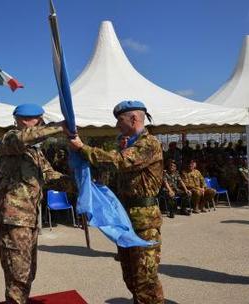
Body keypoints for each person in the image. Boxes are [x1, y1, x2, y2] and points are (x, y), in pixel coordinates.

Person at [68, 100, 164, 304]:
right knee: (130, 274)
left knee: (145, 278)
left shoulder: (149, 143)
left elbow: (120, 161)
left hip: (144, 219)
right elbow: (114, 170)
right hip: (124, 216)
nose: (117, 126)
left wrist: (83, 148)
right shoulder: (127, 143)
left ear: (134, 118)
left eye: (119, 120)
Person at [0, 103, 72, 304]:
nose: (40, 123)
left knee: (28, 272)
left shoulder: (35, 153)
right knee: (17, 274)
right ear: (23, 120)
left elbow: (50, 176)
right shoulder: (9, 139)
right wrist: (59, 127)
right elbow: (25, 137)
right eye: (37, 119)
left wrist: (77, 184)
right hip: (14, 220)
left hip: (30, 219)